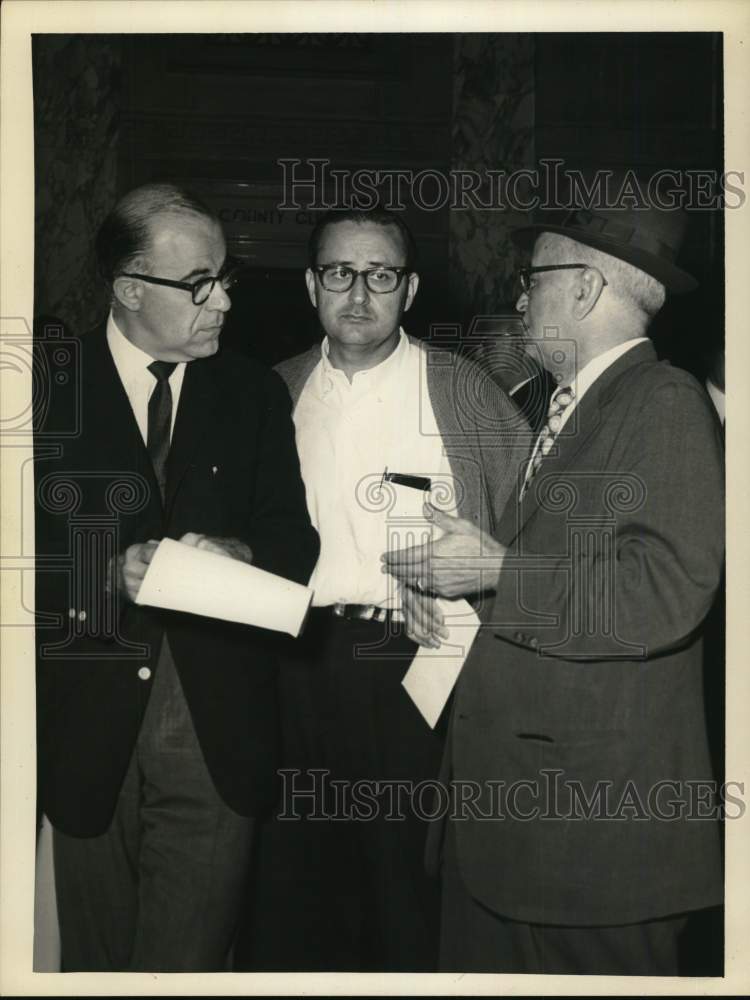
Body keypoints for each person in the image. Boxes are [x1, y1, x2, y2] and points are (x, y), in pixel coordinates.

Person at [383, 202, 725, 975]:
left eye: (530, 280)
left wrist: (498, 571)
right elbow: (560, 582)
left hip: (586, 846)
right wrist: (455, 588)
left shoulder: (662, 402)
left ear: (583, 289)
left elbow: (667, 590)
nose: (518, 300)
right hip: (524, 833)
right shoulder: (574, 411)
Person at [33, 183, 318, 972]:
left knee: (187, 970)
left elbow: (293, 543)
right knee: (93, 967)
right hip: (85, 729)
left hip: (216, 728)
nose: (223, 300)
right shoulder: (38, 389)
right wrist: (105, 574)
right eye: (199, 284)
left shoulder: (253, 392)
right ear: (129, 289)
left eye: (224, 278)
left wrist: (240, 556)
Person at [238, 206, 527, 972]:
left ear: (412, 287)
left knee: (407, 892)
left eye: (382, 275)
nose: (359, 293)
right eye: (339, 272)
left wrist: (478, 592)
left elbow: (529, 534)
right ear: (310, 285)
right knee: (294, 888)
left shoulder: (465, 392)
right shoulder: (271, 392)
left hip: (415, 668)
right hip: (293, 662)